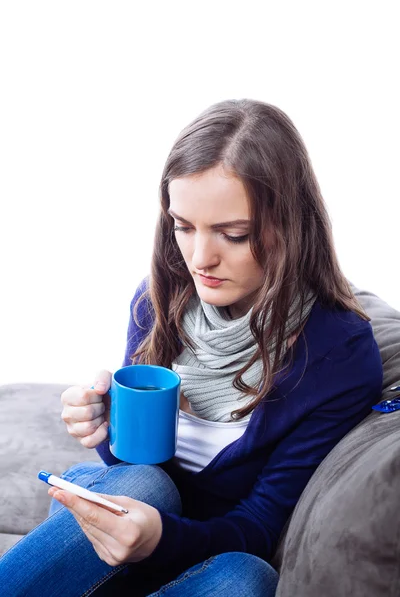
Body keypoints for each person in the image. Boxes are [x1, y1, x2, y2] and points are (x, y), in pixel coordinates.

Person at [0, 99, 383, 596]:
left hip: (200, 550)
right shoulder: (160, 295)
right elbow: (131, 467)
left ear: (290, 224)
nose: (201, 259)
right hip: (126, 515)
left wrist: (158, 540)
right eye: (183, 226)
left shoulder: (340, 356)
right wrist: (104, 428)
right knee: (146, 486)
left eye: (234, 234)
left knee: (247, 578)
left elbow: (260, 524)